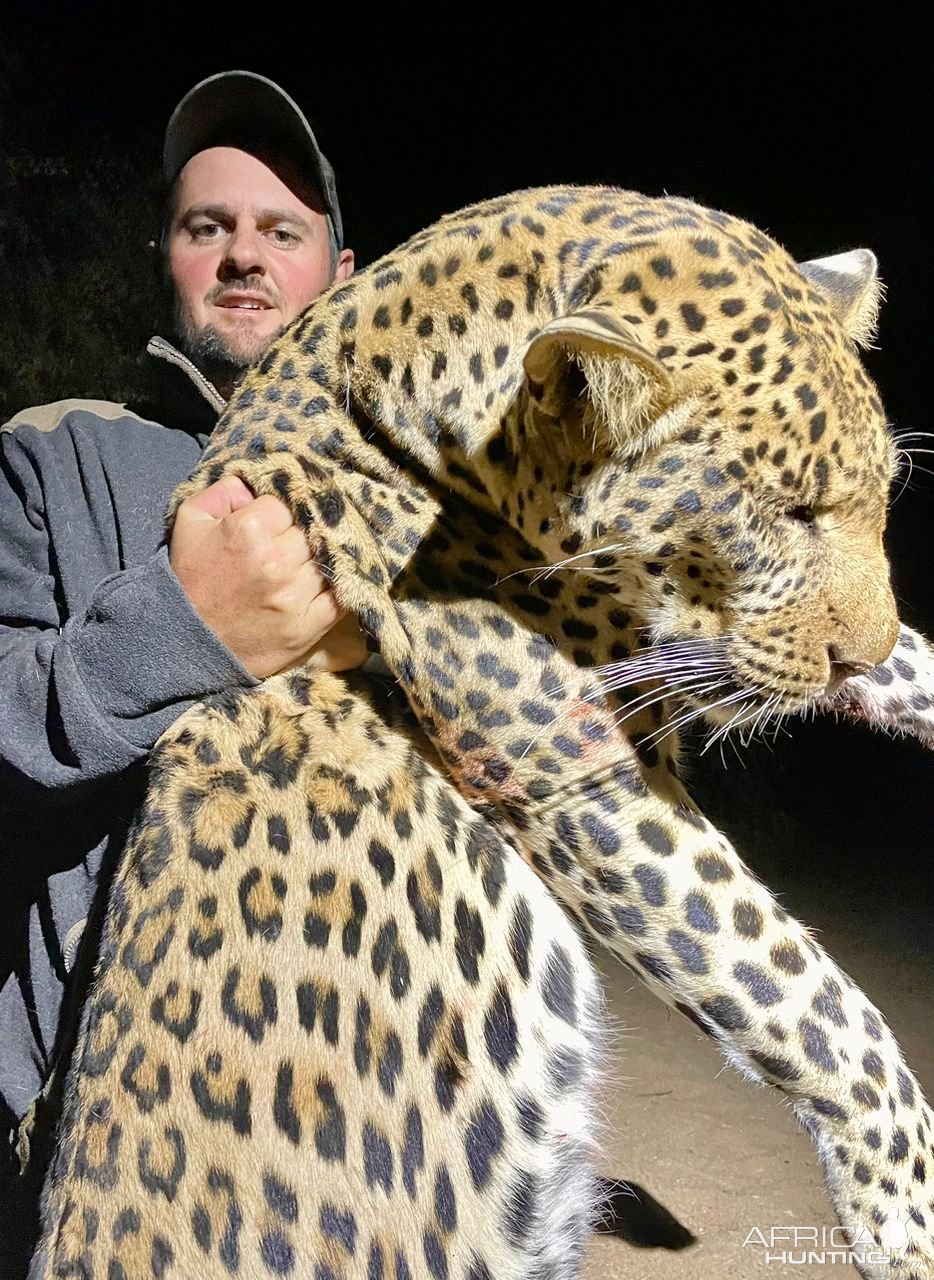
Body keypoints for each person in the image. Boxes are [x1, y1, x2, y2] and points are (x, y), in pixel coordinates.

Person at [0, 71, 365, 1252]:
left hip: (352, 1144)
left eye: (281, 231)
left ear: (342, 276)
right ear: (166, 252)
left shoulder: (417, 501)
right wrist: (183, 632)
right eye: (209, 227)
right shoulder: (54, 452)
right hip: (93, 1149)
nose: (242, 257)